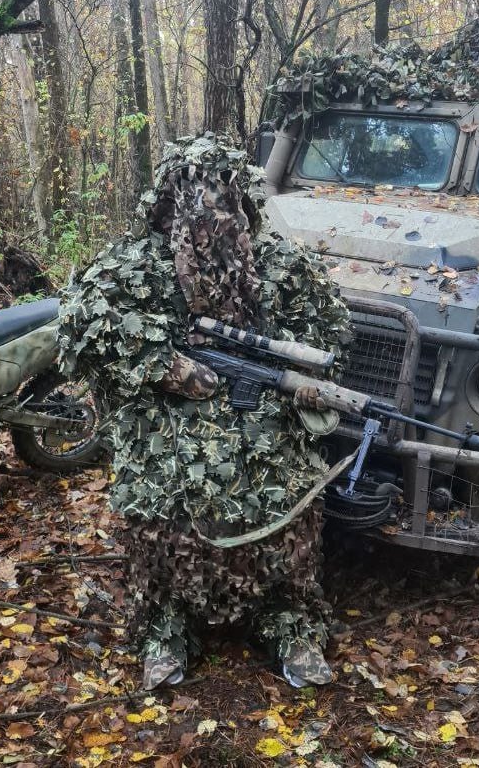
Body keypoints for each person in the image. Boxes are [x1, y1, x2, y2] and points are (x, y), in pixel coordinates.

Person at [55, 133, 352, 689]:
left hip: (266, 436)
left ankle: (289, 622)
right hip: (167, 439)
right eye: (196, 196)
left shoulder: (280, 266)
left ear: (244, 202)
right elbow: (80, 324)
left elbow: (328, 328)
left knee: (288, 522)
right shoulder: (136, 264)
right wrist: (162, 364)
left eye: (223, 197)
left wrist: (309, 379)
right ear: (169, 200)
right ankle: (166, 627)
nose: (210, 212)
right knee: (161, 526)